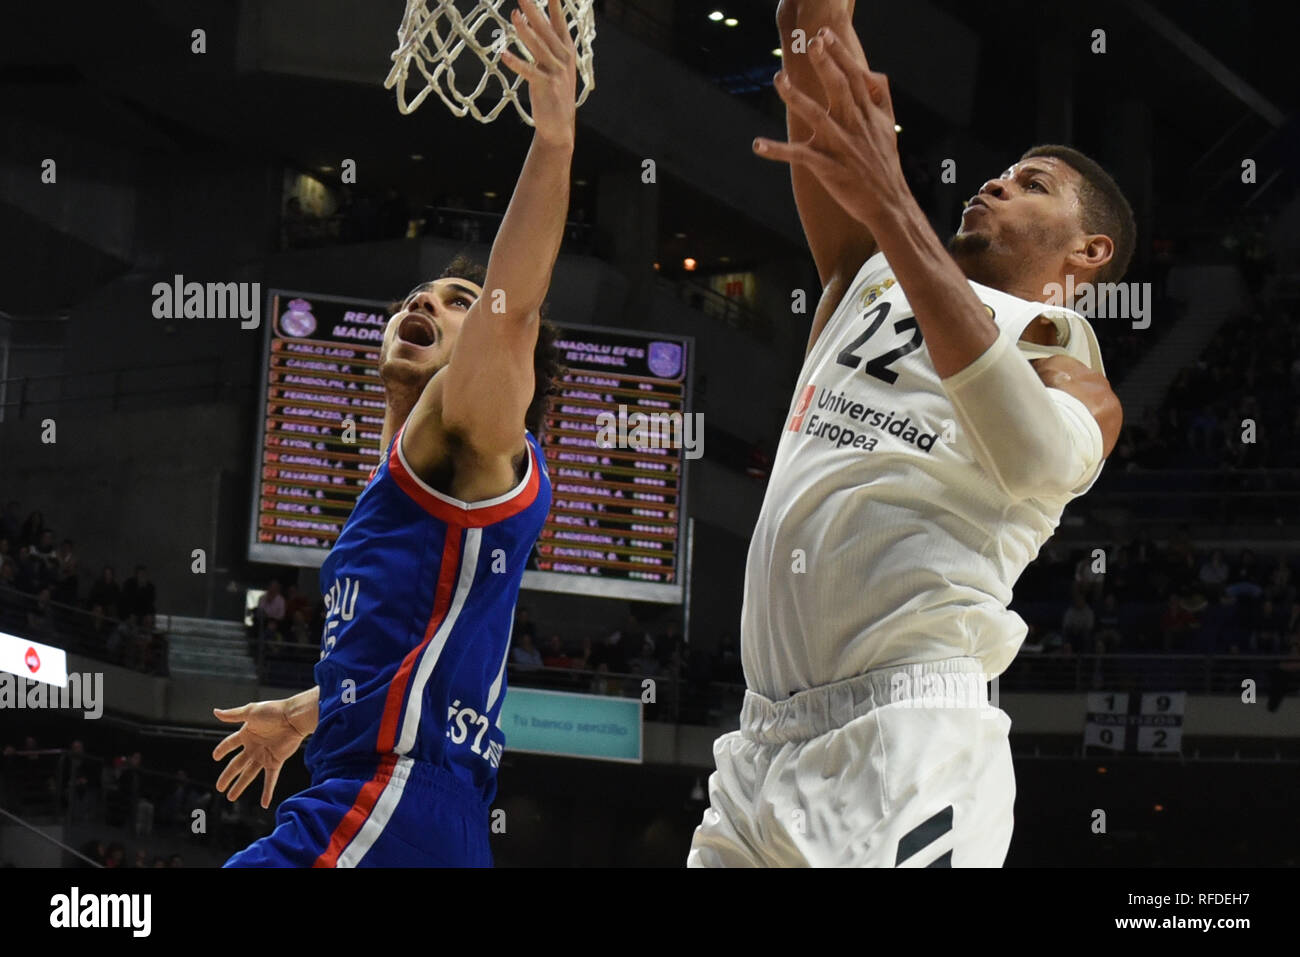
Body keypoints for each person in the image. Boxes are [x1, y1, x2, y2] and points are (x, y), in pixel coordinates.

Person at [689, 0, 1128, 868]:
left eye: (1032, 185)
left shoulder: (1062, 361)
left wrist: (893, 203)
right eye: (1001, 173)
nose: (995, 183)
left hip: (910, 739)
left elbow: (1039, 455)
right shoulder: (868, 272)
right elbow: (808, 26)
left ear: (1090, 252)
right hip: (758, 747)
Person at [213, 0, 573, 868]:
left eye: (455, 303)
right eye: (419, 296)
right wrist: (305, 712)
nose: (424, 302)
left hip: (391, 799)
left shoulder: (467, 425)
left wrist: (554, 143)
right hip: (413, 814)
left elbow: (512, 310)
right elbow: (416, 662)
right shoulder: (417, 487)